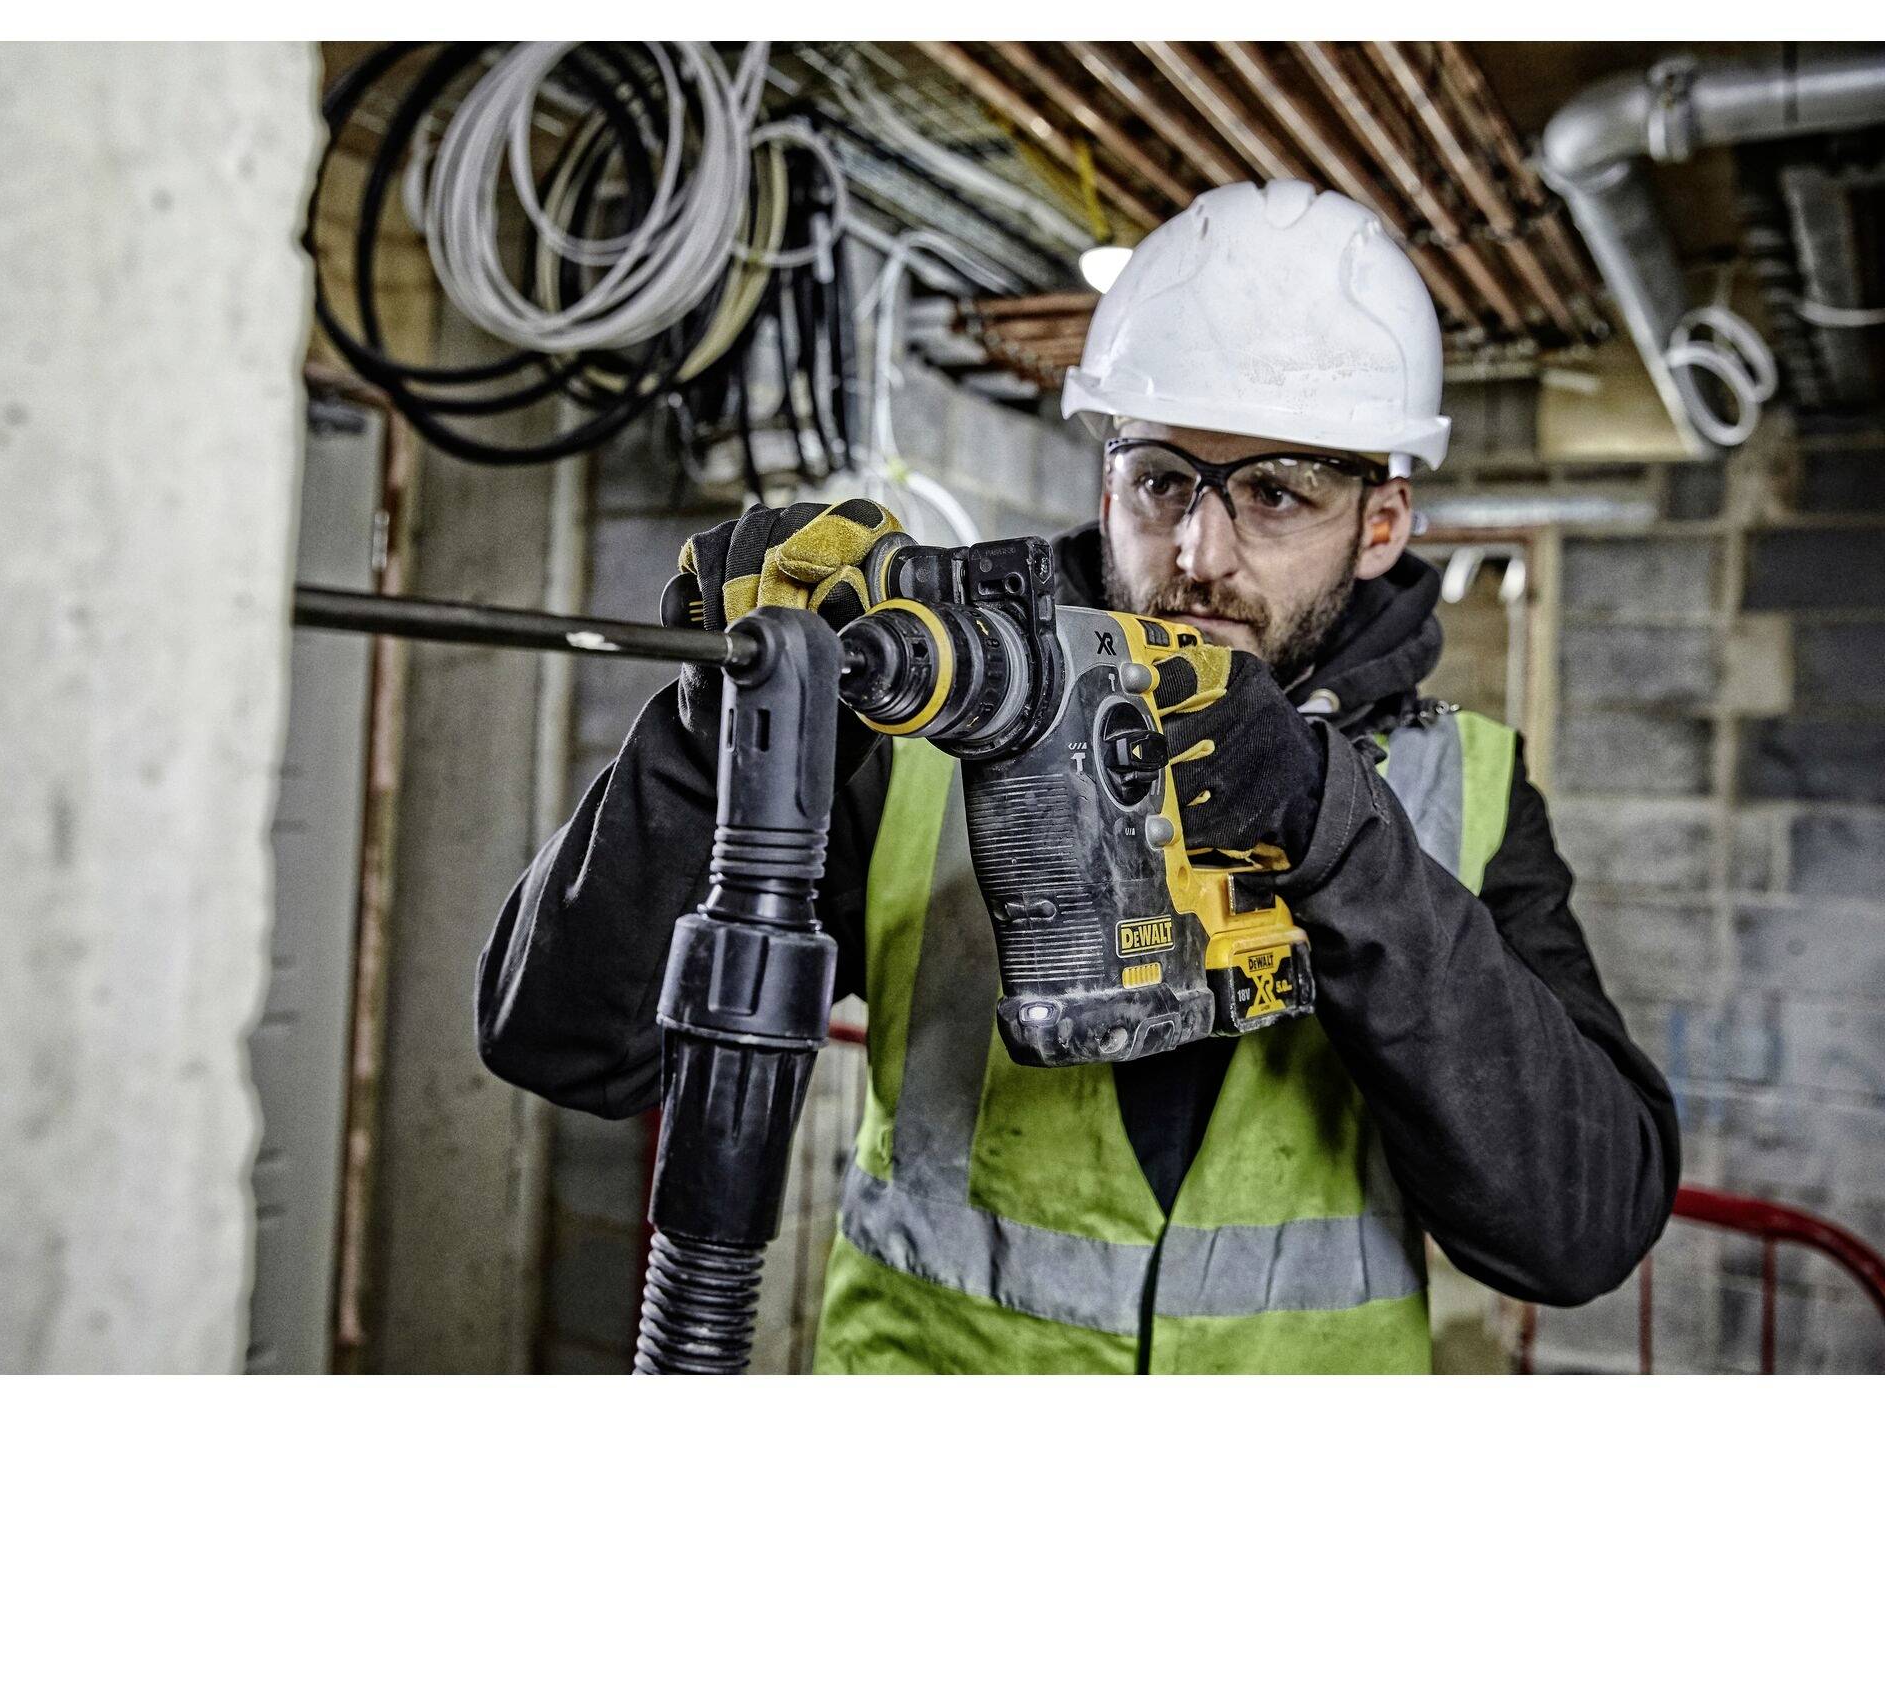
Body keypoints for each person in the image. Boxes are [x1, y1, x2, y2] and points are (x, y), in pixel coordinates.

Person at [477, 179, 1681, 1374]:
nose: (1196, 556)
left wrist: (1335, 837)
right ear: (1106, 478)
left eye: (1274, 493)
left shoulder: (1456, 782)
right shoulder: (920, 736)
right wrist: (723, 729)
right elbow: (569, 1045)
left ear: (1379, 522)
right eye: (1161, 479)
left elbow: (1579, 1228)